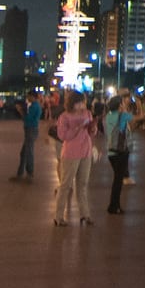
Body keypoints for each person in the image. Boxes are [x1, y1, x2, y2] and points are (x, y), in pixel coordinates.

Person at [53, 94, 94, 227]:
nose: (81, 106)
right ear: (72, 103)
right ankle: (58, 216)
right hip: (71, 152)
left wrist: (93, 128)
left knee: (82, 184)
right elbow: (63, 135)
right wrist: (77, 128)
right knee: (65, 185)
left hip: (86, 151)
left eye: (83, 102)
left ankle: (85, 214)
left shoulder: (88, 113)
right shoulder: (64, 117)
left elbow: (92, 132)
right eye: (79, 103)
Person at [106, 95, 134, 214]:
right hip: (121, 151)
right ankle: (114, 206)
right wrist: (133, 105)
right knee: (118, 181)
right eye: (122, 103)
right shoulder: (122, 115)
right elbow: (140, 116)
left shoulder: (108, 116)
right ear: (119, 105)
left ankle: (114, 205)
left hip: (111, 151)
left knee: (117, 179)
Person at [12, 90, 44, 181]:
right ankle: (21, 173)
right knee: (25, 152)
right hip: (31, 129)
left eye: (29, 96)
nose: (27, 98)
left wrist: (20, 111)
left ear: (33, 97)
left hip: (31, 129)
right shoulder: (35, 106)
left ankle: (28, 173)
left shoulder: (34, 106)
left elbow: (27, 119)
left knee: (28, 151)